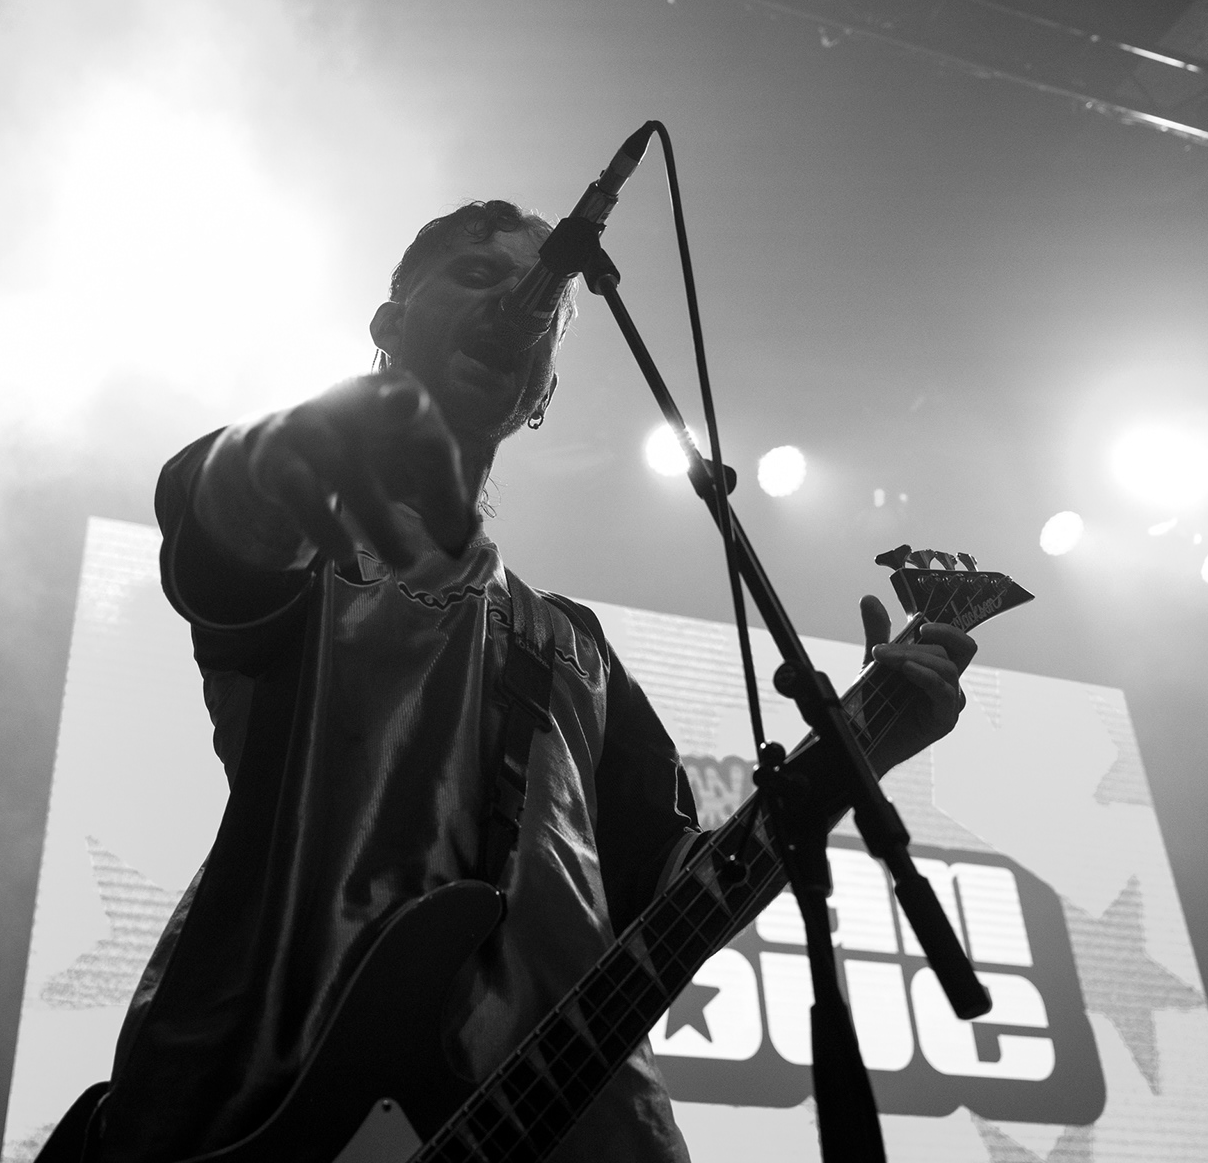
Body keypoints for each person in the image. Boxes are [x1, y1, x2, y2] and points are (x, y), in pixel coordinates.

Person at [51, 200, 975, 1162]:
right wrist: (304, 439)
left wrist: (862, 743)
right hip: (271, 1105)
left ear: (545, 393)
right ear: (389, 323)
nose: (518, 303)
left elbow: (673, 896)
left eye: (543, 299)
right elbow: (221, 526)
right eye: (477, 275)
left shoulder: (575, 647)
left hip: (569, 1127)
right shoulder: (311, 549)